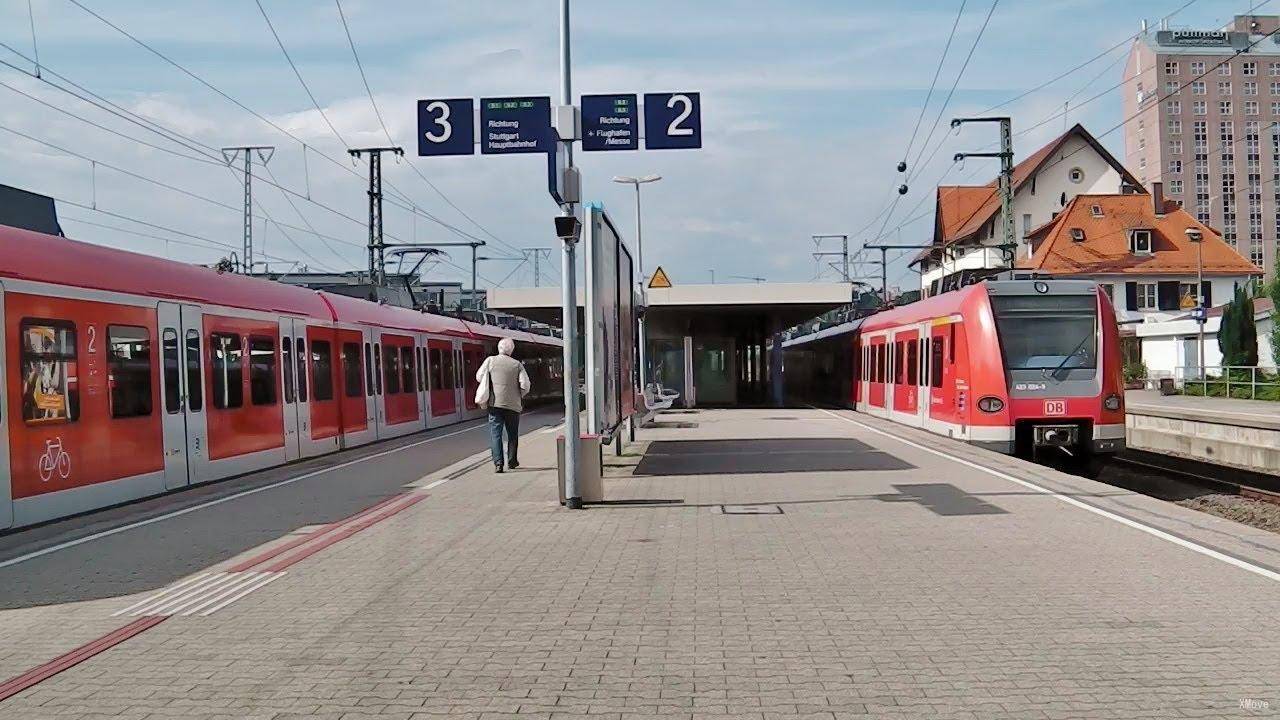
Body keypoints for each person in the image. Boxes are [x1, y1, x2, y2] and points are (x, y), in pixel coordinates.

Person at [477, 338, 531, 473]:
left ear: (499, 348)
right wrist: (519, 395)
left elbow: (479, 377)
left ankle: (498, 464)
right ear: (511, 350)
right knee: (512, 434)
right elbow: (525, 385)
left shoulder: (490, 361)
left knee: (496, 434)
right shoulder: (517, 364)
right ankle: (512, 461)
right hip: (513, 406)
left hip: (495, 404)